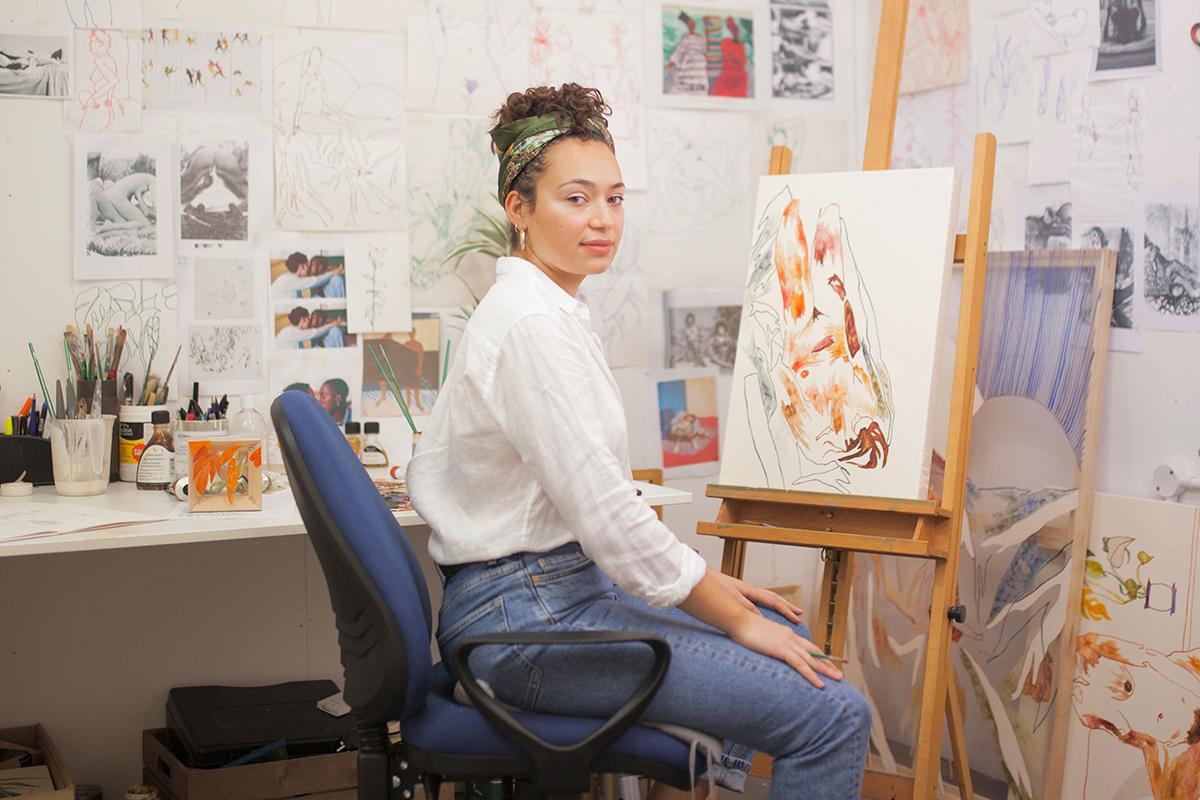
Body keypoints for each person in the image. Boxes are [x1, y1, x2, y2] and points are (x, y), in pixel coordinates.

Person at [407, 83, 870, 800]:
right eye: (577, 198)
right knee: (834, 713)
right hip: (527, 625)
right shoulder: (530, 325)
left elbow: (596, 508)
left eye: (615, 198)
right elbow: (611, 521)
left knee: (768, 649)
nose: (603, 219)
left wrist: (715, 596)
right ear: (518, 208)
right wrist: (728, 614)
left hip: (541, 600)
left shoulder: (546, 308)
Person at [665, 12, 709, 95]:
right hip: (688, 66)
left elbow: (705, 49)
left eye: (693, 23)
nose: (692, 25)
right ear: (688, 26)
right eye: (690, 23)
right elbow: (679, 51)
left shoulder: (700, 38)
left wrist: (706, 28)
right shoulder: (685, 38)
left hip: (699, 67)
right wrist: (672, 63)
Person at [271, 252, 344, 298]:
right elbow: (315, 281)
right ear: (301, 266)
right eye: (308, 264)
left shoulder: (291, 278)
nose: (309, 267)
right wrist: (333, 272)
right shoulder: (290, 280)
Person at [711, 17, 749, 98]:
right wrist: (735, 56)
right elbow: (729, 56)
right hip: (728, 73)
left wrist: (735, 55)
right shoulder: (726, 42)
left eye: (737, 29)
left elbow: (742, 60)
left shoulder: (740, 44)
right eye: (734, 29)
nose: (736, 31)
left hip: (740, 75)